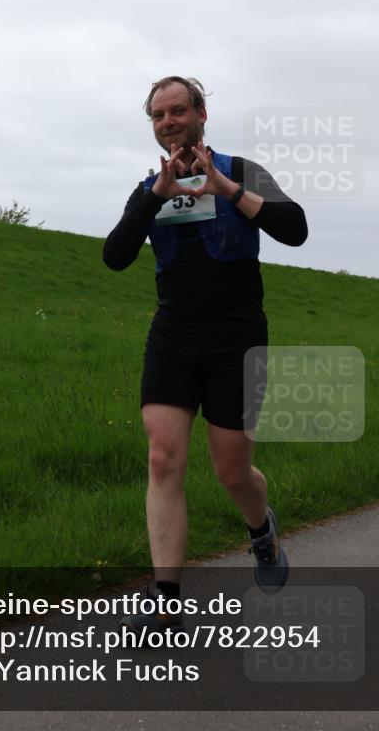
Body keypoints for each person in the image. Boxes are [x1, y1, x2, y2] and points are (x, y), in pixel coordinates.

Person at [102, 76, 308, 637]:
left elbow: (296, 230)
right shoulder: (150, 187)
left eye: (177, 111)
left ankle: (260, 529)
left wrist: (226, 189)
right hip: (173, 335)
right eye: (158, 116)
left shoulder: (242, 171)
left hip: (236, 339)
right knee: (163, 457)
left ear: (201, 113)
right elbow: (115, 256)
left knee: (231, 468)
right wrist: (154, 199)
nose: (168, 122)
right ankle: (163, 598)